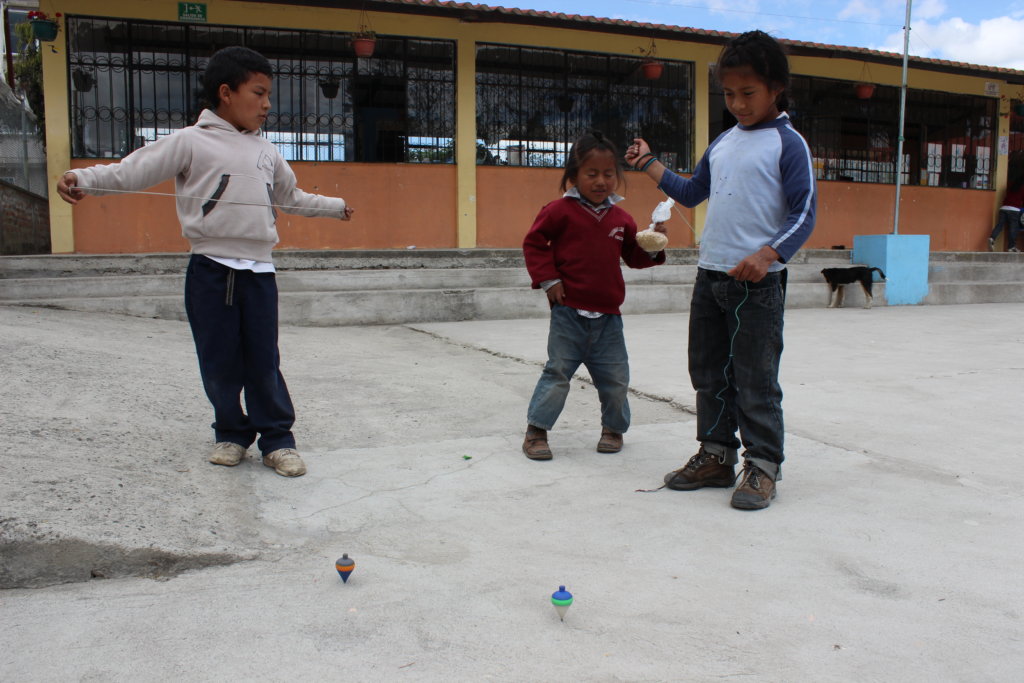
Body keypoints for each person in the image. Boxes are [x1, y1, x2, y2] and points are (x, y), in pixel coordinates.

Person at [56, 46, 354, 478]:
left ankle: (277, 441)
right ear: (226, 93)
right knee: (218, 359)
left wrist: (335, 206)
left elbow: (291, 197)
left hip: (259, 273)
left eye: (269, 95)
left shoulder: (267, 152)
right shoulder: (189, 142)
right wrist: (82, 178)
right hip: (210, 270)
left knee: (263, 360)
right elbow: (131, 171)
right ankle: (231, 434)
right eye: (259, 93)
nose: (267, 104)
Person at [625, 30, 815, 509]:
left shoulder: (788, 145)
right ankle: (715, 455)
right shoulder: (725, 142)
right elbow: (691, 193)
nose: (737, 103)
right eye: (729, 94)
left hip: (757, 284)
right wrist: (649, 164)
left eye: (747, 93)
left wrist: (768, 254)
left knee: (755, 376)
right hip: (710, 277)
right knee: (708, 373)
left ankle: (763, 465)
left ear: (776, 88)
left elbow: (804, 212)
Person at [522, 130, 667, 461]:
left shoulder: (622, 218)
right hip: (568, 313)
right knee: (557, 374)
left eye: (608, 173)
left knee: (616, 379)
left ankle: (613, 429)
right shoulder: (558, 211)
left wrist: (655, 245)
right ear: (573, 177)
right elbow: (534, 244)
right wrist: (548, 280)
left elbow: (634, 257)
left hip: (608, 319)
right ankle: (536, 431)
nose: (601, 181)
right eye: (591, 174)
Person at [988, 176, 1024, 252]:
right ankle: (1011, 247)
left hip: (1003, 208)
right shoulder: (1023, 188)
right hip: (1014, 210)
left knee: (1000, 225)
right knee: (1013, 228)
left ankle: (992, 238)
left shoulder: (1011, 185)